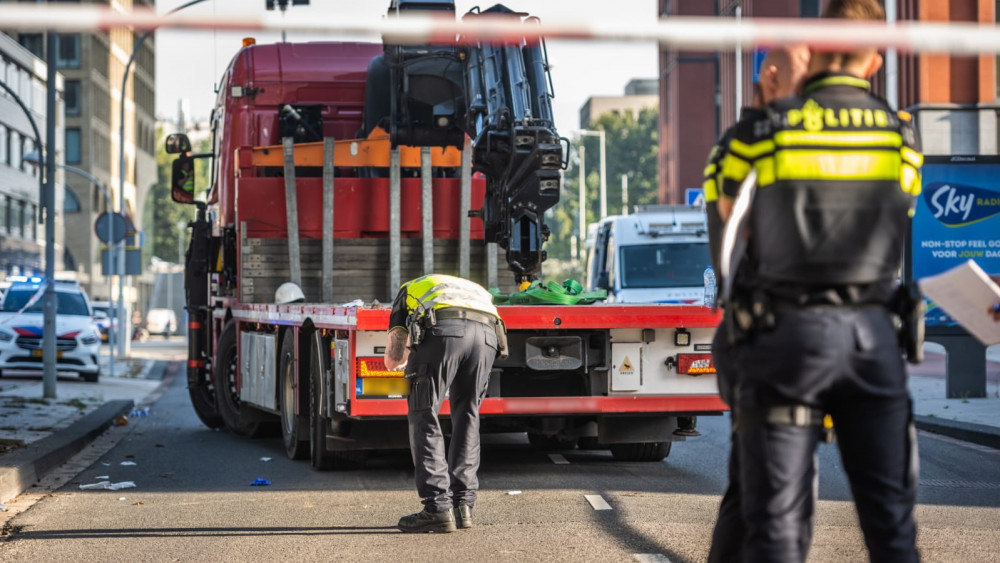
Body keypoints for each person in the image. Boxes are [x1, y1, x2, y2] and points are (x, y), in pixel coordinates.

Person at [715, 0, 923, 560]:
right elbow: (901, 202)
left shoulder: (762, 130)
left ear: (817, 42)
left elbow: (729, 212)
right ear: (875, 61)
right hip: (875, 337)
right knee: (891, 524)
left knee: (777, 525)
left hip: (787, 337)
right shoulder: (900, 136)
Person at [704, 44, 811, 563]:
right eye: (806, 70)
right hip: (763, 333)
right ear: (771, 77)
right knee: (769, 494)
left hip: (767, 332)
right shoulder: (749, 144)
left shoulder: (760, 144)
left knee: (754, 487)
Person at [384, 273, 507, 533]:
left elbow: (393, 357)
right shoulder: (473, 289)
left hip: (445, 333)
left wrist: (404, 360)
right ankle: (464, 507)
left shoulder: (409, 289)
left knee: (424, 413)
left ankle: (437, 508)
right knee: (468, 415)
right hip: (487, 337)